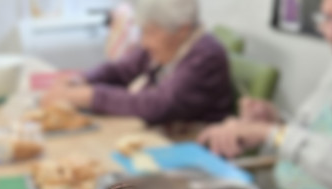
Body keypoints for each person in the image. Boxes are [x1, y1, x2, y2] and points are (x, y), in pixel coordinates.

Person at [198, 0, 332, 189]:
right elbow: (312, 139)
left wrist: (270, 132)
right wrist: (275, 122)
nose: (321, 28)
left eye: (329, 19)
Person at [44, 0, 235, 130]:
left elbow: (159, 104)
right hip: (160, 136)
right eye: (142, 32)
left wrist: (89, 96)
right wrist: (80, 80)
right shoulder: (168, 44)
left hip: (195, 151)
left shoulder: (207, 56)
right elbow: (120, 69)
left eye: (151, 32)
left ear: (182, 30)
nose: (144, 42)